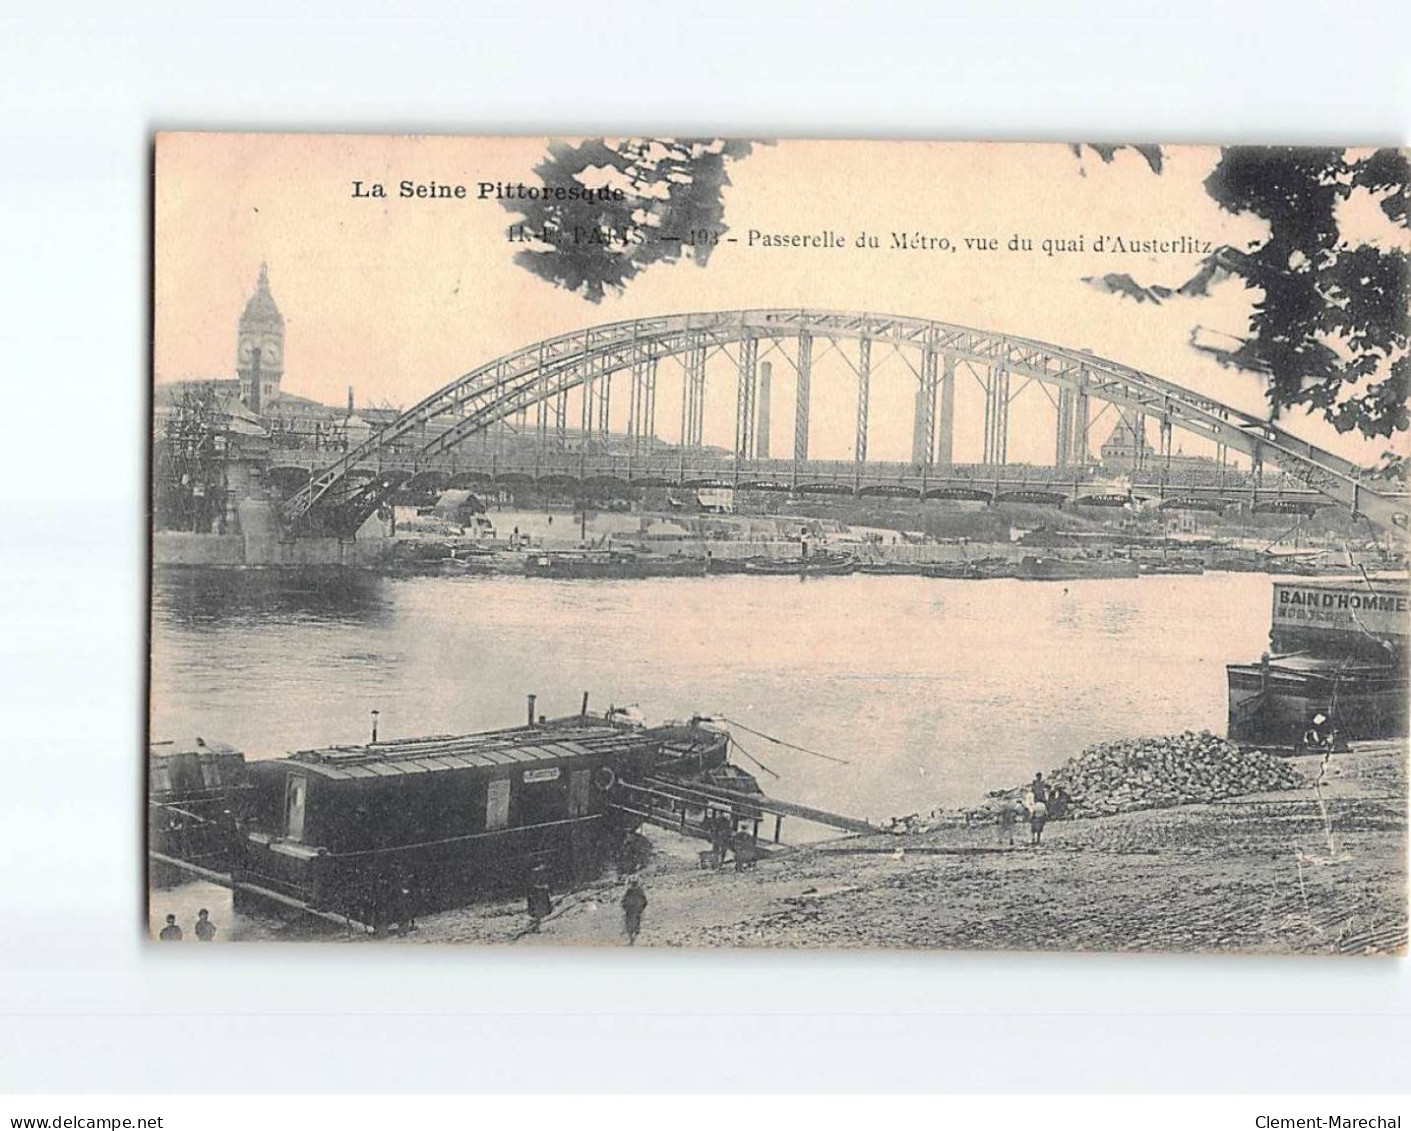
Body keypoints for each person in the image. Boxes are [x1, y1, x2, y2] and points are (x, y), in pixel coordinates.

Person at [621, 879, 647, 945]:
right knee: (631, 924)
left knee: (633, 924)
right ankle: (632, 938)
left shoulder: (636, 891)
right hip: (632, 910)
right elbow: (624, 900)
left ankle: (632, 938)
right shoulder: (632, 891)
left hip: (634, 910)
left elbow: (644, 901)